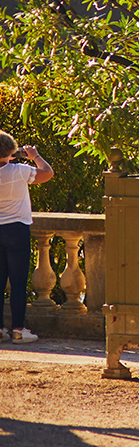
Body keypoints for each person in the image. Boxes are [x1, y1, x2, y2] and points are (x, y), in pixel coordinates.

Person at [0, 133, 53, 344]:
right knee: (18, 282)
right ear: (11, 151)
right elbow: (47, 173)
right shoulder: (21, 171)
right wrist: (35, 156)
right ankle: (18, 330)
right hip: (17, 229)